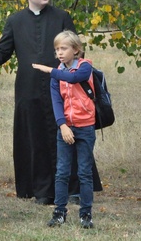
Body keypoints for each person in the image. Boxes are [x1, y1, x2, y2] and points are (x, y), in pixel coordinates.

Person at [0, 0, 102, 204]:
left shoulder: (61, 17)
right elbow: (1, 53)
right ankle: (42, 191)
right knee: (35, 137)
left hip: (64, 87)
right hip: (29, 91)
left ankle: (74, 189)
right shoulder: (16, 21)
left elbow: (77, 51)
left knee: (70, 135)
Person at [33, 31, 97, 229]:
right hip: (66, 128)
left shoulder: (85, 66)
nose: (59, 53)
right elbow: (56, 100)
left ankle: (86, 214)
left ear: (76, 50)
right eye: (57, 49)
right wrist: (62, 125)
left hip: (85, 126)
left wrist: (49, 70)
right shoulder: (57, 72)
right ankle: (60, 212)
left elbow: (75, 78)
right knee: (62, 171)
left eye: (64, 48)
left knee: (85, 172)